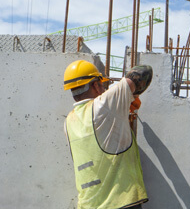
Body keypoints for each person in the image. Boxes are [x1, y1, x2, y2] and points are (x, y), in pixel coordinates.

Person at [63, 60, 153, 209]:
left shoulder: (68, 122)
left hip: (88, 205)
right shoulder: (103, 105)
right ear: (95, 85)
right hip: (119, 202)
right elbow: (144, 71)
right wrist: (129, 95)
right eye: (101, 84)